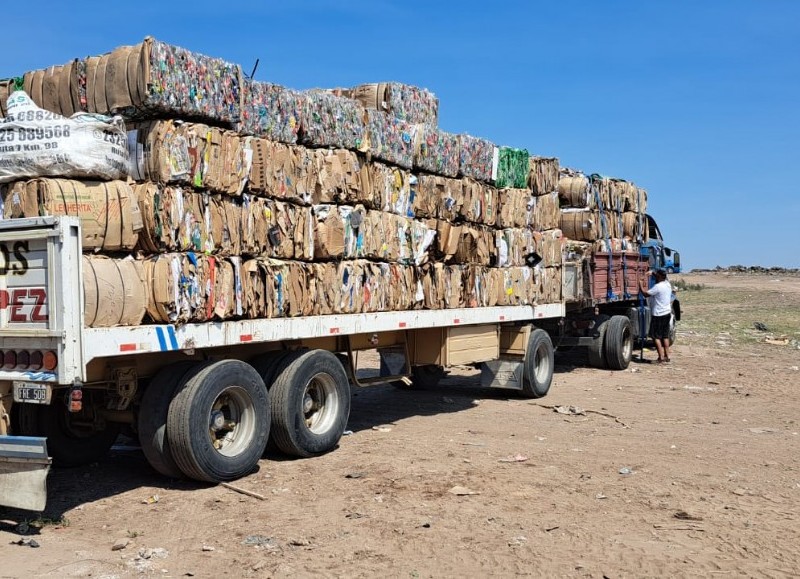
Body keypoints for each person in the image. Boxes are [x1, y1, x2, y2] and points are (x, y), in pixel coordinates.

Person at [639, 269, 673, 363]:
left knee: (656, 337)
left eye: (657, 275)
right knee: (665, 336)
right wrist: (652, 273)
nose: (655, 277)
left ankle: (660, 357)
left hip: (658, 314)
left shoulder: (657, 287)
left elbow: (645, 294)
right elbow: (659, 276)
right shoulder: (667, 284)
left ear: (660, 277)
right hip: (667, 313)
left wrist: (640, 284)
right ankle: (667, 356)